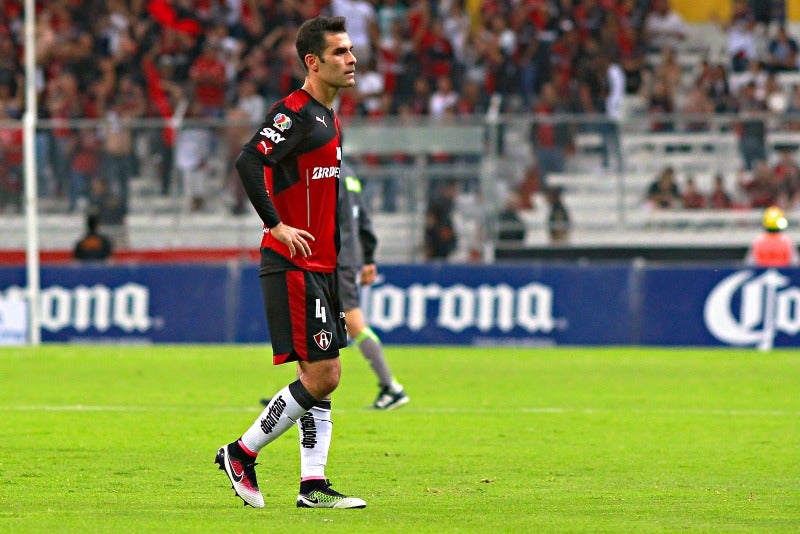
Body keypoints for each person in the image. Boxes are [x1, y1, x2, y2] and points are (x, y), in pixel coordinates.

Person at [214, 16, 366, 510]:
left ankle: (313, 487)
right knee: (324, 375)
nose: (352, 59)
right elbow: (247, 161)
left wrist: (340, 269)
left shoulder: (331, 119)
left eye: (351, 50)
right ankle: (241, 452)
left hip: (322, 267)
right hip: (292, 265)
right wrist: (276, 225)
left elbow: (326, 206)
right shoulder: (296, 113)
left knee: (318, 376)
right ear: (313, 62)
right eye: (340, 52)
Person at [261, 162, 409, 410]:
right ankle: (300, 393)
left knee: (353, 322)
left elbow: (320, 216)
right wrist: (369, 255)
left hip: (333, 259)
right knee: (314, 323)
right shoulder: (349, 174)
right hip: (344, 258)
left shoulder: (322, 172)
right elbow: (362, 218)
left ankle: (391, 387)